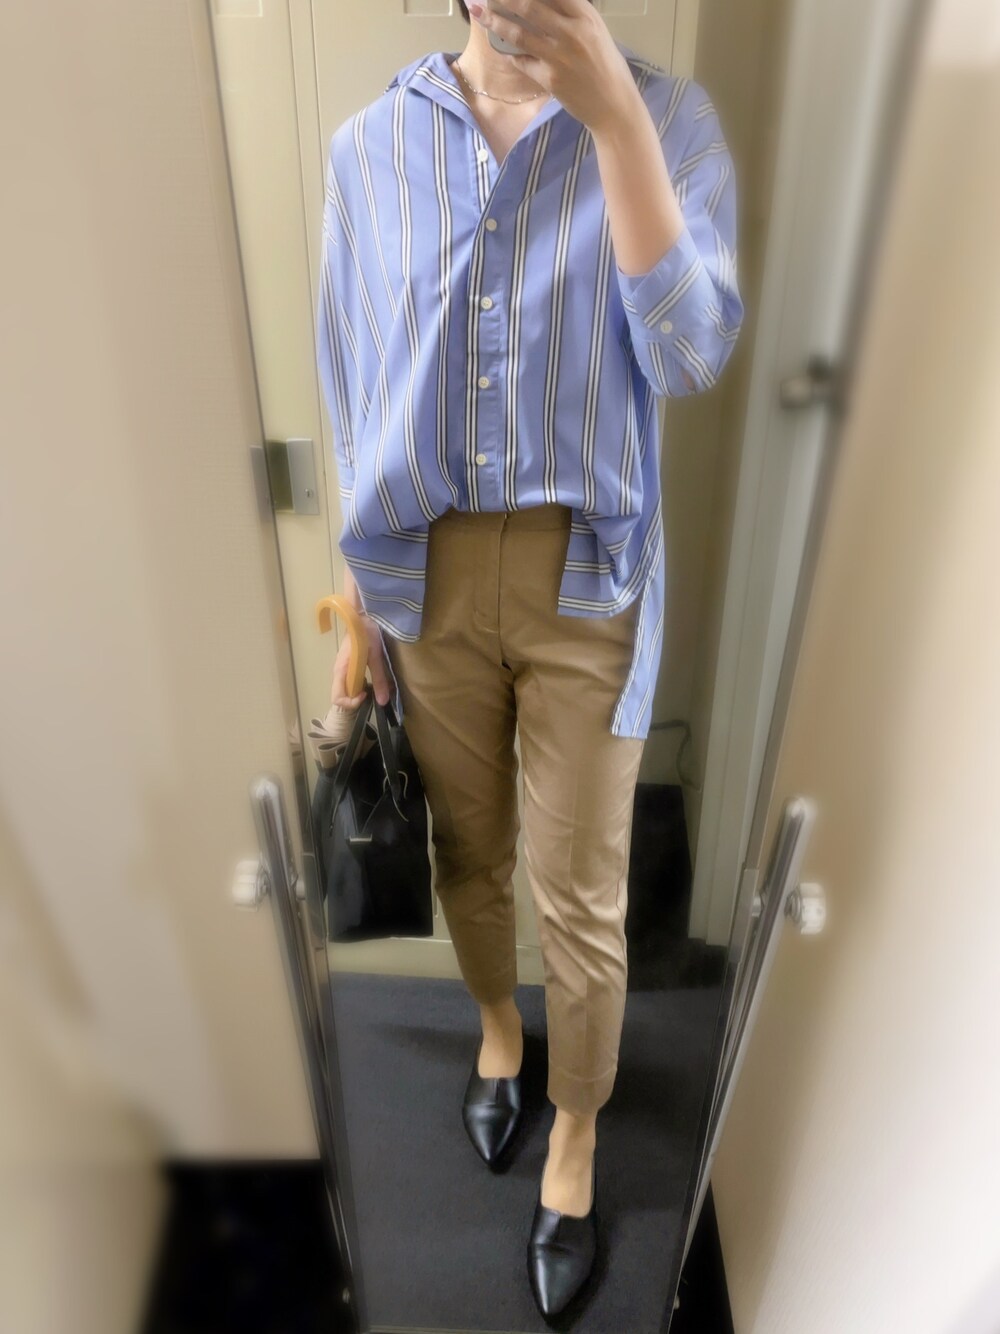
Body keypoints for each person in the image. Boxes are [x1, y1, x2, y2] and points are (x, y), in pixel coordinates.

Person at [317, 0, 743, 1315]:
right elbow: (351, 378)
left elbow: (690, 351)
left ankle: (577, 1129)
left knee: (582, 890)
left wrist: (613, 120)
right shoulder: (368, 148)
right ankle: (501, 1032)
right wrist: (356, 597)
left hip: (588, 578)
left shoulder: (668, 119)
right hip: (425, 574)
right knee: (469, 847)